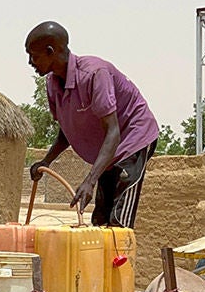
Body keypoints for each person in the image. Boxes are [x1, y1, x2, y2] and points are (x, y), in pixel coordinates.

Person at [25, 21, 159, 228]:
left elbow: (113, 132)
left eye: (34, 55)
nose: (30, 62)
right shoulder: (52, 84)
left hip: (132, 139)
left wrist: (90, 180)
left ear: (50, 51)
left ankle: (120, 258)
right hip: (107, 152)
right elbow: (66, 130)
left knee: (118, 223)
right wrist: (46, 161)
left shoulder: (95, 74)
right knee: (100, 221)